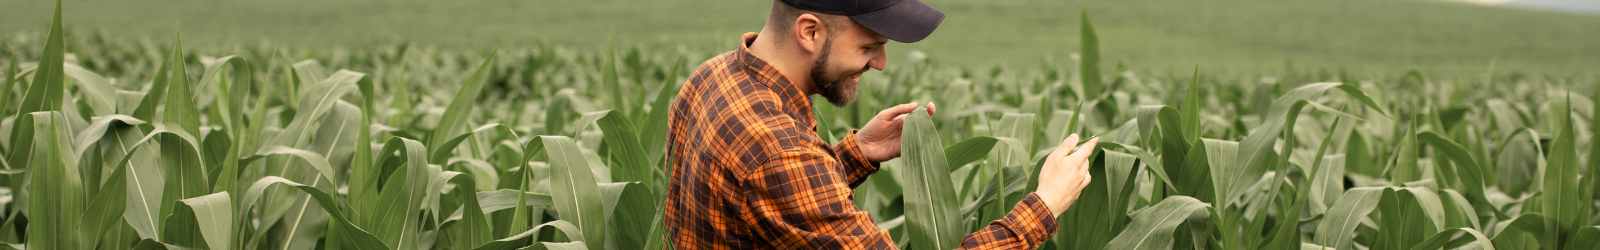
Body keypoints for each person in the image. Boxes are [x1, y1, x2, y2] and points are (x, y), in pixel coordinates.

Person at [664, 0, 1099, 248]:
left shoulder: (711, 77)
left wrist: (856, 154)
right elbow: (777, 168)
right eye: (869, 46)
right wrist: (1044, 206)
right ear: (810, 32)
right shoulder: (779, 149)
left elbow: (758, 204)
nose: (882, 63)